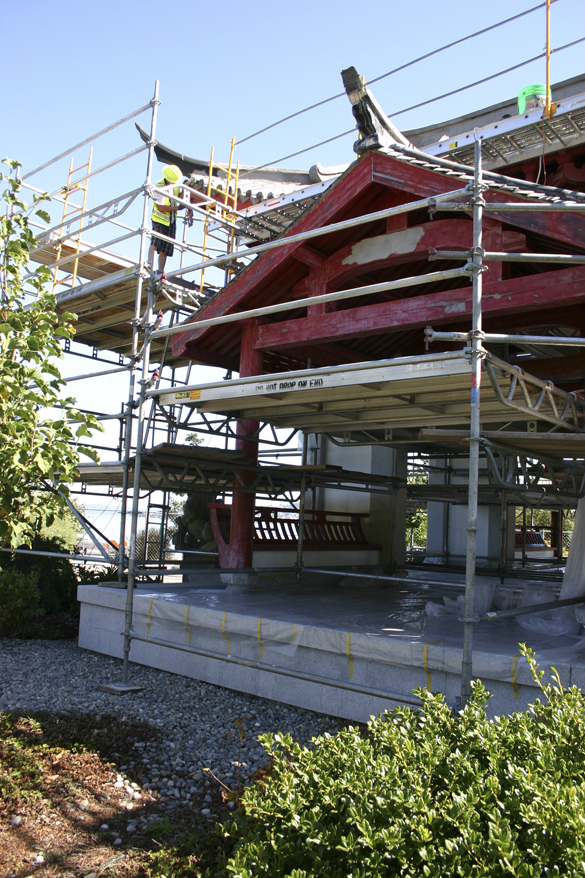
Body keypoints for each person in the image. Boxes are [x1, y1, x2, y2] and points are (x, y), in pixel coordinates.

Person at [148, 164, 183, 273]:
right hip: (159, 219)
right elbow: (161, 207)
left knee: (165, 249)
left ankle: (160, 271)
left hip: (171, 221)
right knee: (155, 243)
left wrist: (187, 189)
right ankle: (149, 264)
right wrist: (177, 207)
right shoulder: (160, 187)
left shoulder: (175, 186)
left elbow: (179, 196)